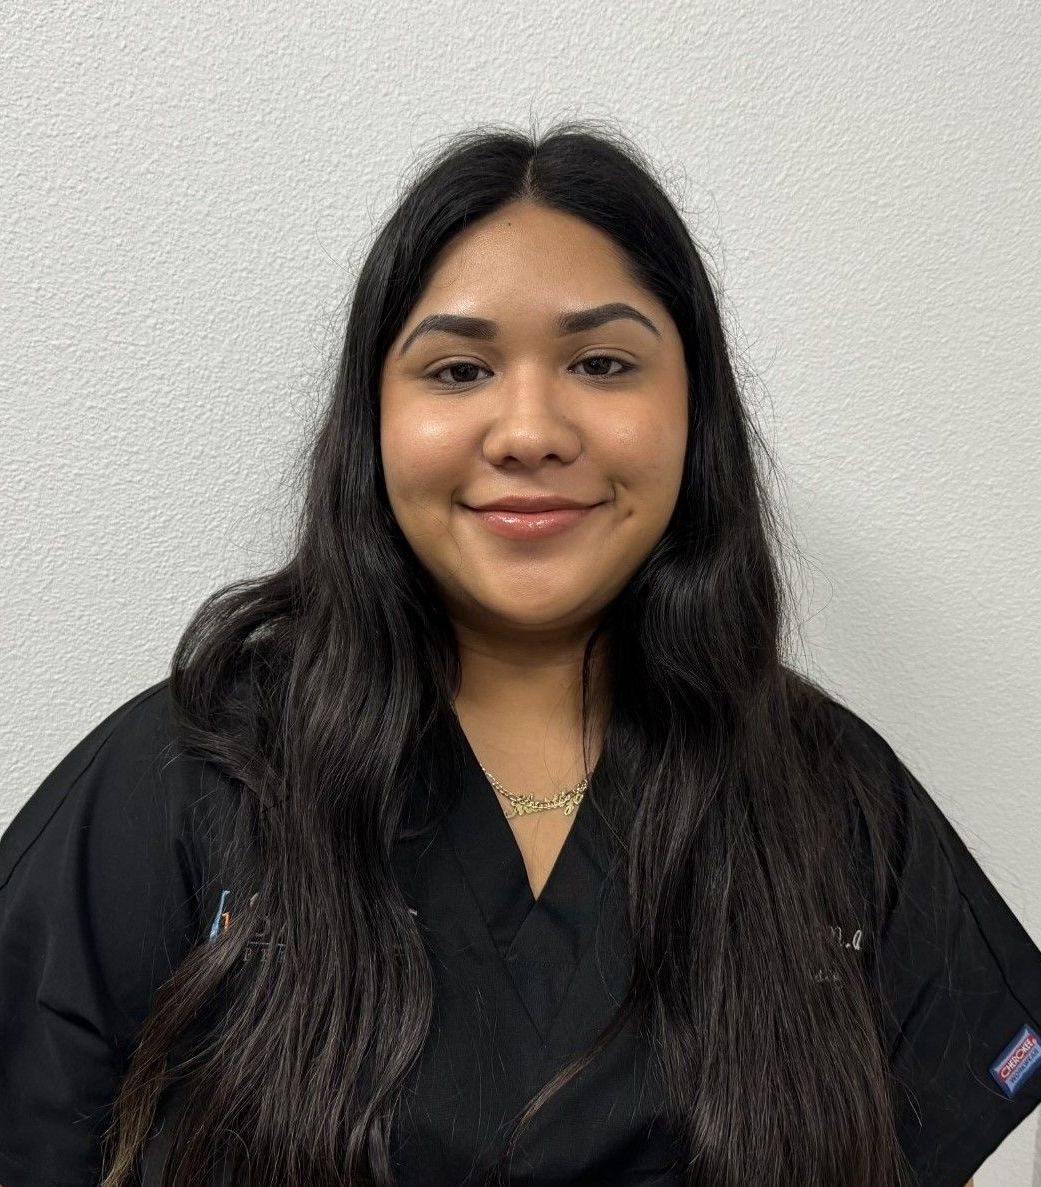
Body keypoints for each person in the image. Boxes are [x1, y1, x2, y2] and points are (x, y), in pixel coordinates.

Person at [1, 119, 1038, 1187]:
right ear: (375, 419)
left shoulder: (833, 798)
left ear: (695, 414)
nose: (529, 428)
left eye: (601, 361)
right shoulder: (188, 776)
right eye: (457, 370)